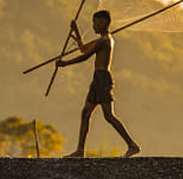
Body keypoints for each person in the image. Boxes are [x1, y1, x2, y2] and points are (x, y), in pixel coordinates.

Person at [57, 10, 140, 158]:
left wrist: (65, 63)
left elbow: (86, 56)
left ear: (104, 22)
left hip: (103, 79)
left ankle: (132, 146)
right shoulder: (101, 40)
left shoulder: (105, 40)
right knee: (85, 112)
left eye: (95, 22)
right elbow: (84, 49)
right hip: (97, 79)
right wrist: (75, 31)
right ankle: (80, 151)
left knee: (108, 115)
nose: (93, 25)